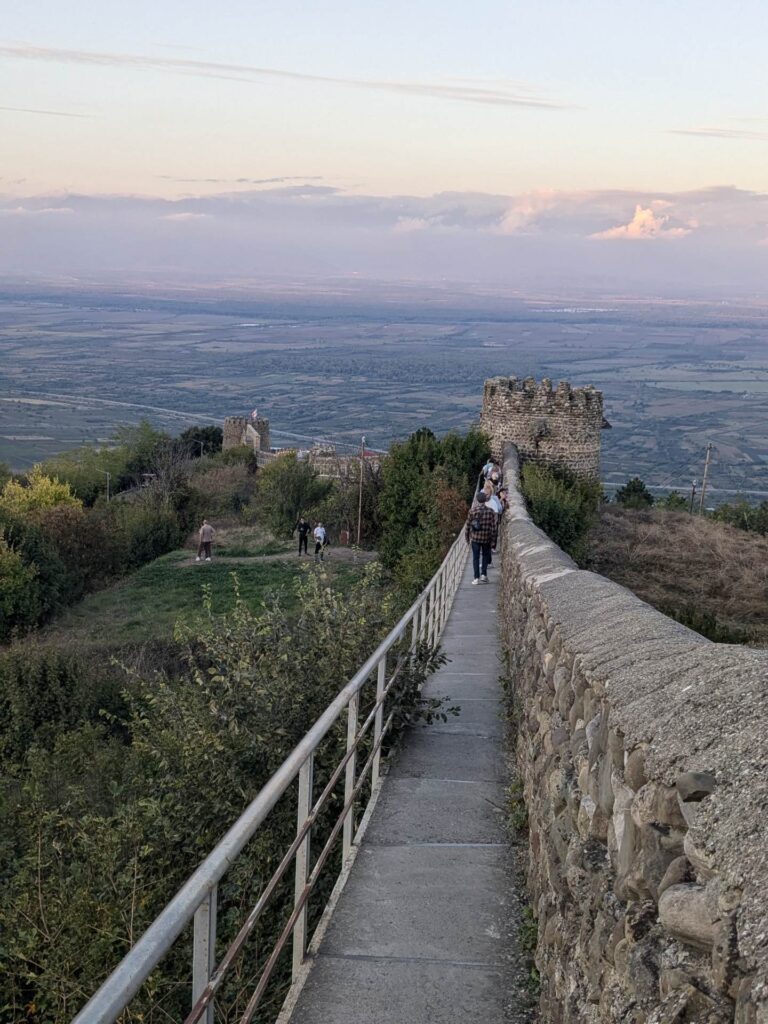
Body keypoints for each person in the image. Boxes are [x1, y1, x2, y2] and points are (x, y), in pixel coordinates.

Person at [464, 492, 497, 585]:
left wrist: (467, 538)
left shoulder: (472, 511)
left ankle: (476, 578)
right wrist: (494, 541)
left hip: (475, 538)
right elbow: (494, 527)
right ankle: (484, 575)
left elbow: (468, 525)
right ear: (485, 500)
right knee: (485, 556)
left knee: (475, 558)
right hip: (486, 538)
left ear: (477, 500)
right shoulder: (491, 511)